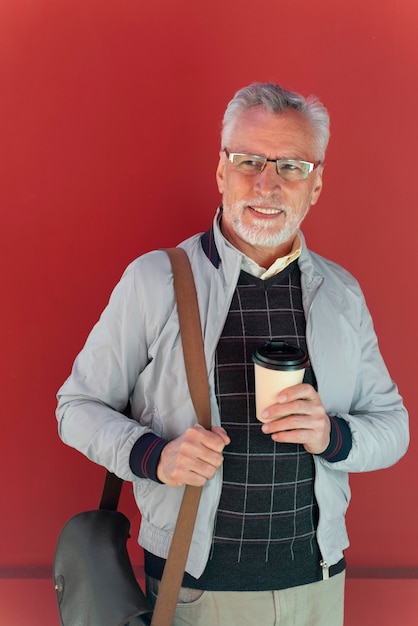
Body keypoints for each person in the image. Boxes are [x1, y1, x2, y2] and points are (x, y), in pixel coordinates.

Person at [56, 82, 409, 626]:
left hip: (315, 588)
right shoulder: (154, 281)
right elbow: (75, 407)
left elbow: (394, 427)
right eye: (249, 161)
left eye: (291, 166)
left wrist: (332, 435)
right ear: (221, 172)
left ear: (316, 184)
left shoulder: (342, 294)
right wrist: (154, 456)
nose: (267, 184)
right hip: (191, 592)